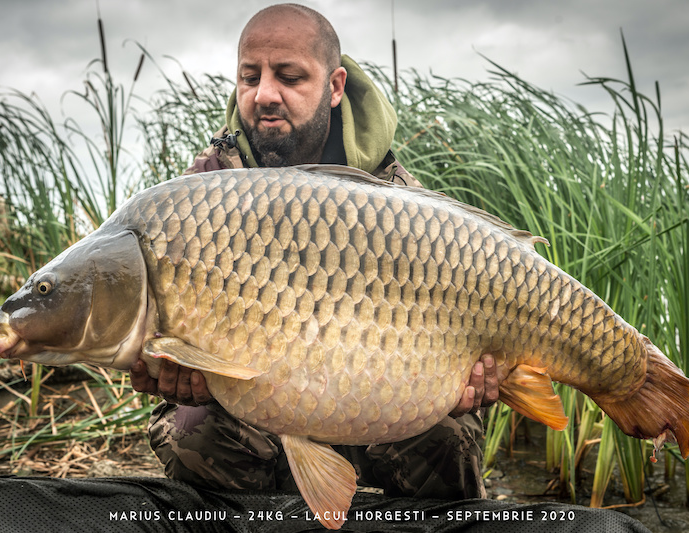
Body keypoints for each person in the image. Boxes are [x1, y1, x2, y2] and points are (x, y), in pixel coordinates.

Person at [130, 3, 500, 501]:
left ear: (334, 86)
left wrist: (465, 383)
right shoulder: (202, 194)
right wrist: (168, 370)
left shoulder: (396, 196)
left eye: (288, 77)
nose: (263, 94)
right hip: (257, 408)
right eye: (249, 76)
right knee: (192, 430)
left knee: (449, 433)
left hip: (375, 402)